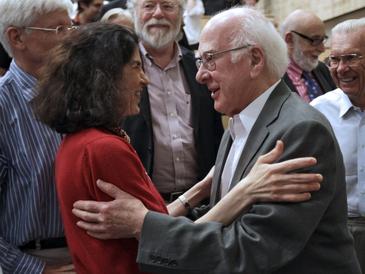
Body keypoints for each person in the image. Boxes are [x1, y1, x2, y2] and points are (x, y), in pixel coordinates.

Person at [72, 7, 361, 273]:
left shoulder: (299, 131)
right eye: (199, 61)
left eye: (209, 58)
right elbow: (220, 212)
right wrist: (151, 222)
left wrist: (144, 224)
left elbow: (252, 247)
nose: (199, 75)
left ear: (255, 60)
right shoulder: (241, 121)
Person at [0, 0, 76, 273]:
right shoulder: (3, 105)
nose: (70, 37)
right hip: (36, 259)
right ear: (17, 37)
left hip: (93, 253)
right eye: (58, 28)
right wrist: (34, 270)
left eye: (70, 26)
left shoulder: (81, 94)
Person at [123, 0, 224, 201]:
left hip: (202, 202)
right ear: (135, 13)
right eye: (149, 6)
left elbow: (215, 133)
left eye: (168, 6)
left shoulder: (200, 67)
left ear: (181, 14)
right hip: (143, 204)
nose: (158, 14)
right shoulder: (120, 69)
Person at [310, 18, 365, 273]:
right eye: (334, 59)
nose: (341, 68)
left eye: (351, 57)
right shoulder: (318, 113)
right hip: (338, 234)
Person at [280, 9, 336, 102]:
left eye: (322, 40)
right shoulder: (271, 79)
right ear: (290, 39)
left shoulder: (322, 69)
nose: (322, 49)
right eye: (315, 40)